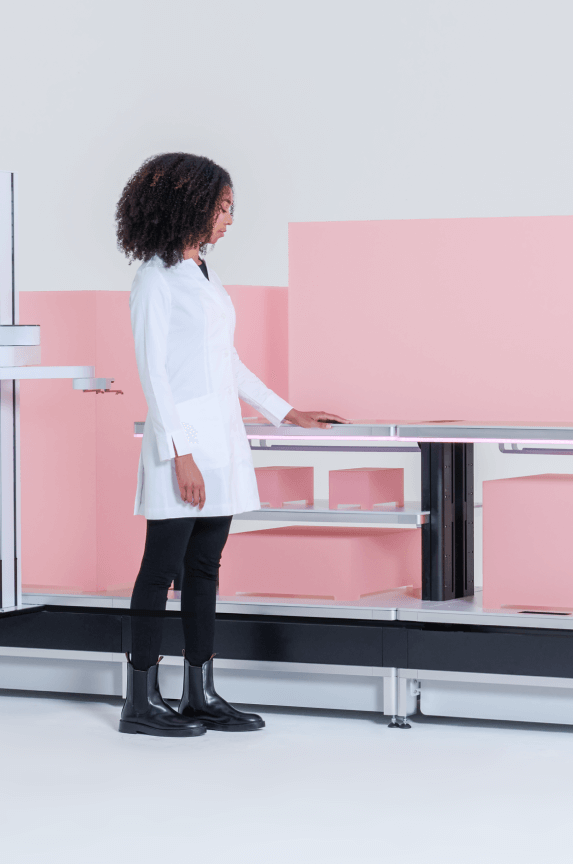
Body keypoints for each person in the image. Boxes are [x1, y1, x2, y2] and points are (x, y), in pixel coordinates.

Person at [115, 152, 345, 737]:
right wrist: (181, 454)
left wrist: (286, 411)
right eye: (223, 207)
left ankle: (200, 692)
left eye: (231, 208)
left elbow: (228, 364)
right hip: (184, 447)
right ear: (187, 204)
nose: (230, 219)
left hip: (220, 442)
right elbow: (154, 374)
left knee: (204, 568)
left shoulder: (201, 276)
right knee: (159, 569)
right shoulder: (154, 279)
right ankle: (139, 702)